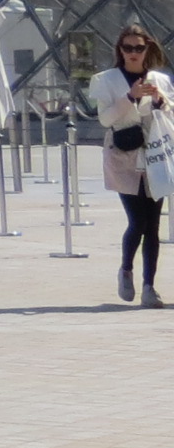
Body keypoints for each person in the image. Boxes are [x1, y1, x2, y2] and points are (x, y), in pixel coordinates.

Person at [92, 24, 169, 307]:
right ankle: (126, 270)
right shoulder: (105, 79)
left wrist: (161, 101)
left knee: (153, 225)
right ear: (120, 50)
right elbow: (105, 119)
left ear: (147, 48)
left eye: (139, 47)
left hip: (155, 157)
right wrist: (130, 97)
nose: (133, 53)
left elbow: (170, 114)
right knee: (137, 221)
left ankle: (150, 286)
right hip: (124, 156)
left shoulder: (160, 80)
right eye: (128, 48)